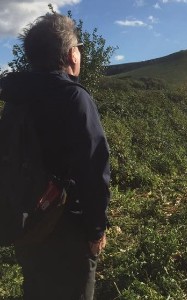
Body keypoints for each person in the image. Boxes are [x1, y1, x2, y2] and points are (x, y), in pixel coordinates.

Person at [0, 13, 110, 300]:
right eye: (79, 47)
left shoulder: (15, 98)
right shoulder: (74, 97)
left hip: (28, 223)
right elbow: (93, 167)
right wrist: (96, 230)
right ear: (71, 54)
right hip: (68, 227)